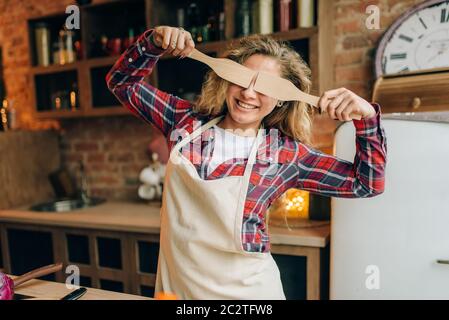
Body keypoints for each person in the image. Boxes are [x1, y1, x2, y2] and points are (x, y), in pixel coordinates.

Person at [106, 26, 387, 299]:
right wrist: (152, 43)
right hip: (180, 290)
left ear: (280, 100)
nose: (248, 94)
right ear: (226, 79)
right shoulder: (185, 122)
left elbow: (366, 184)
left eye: (265, 87)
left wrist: (367, 120)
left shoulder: (286, 154)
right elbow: (121, 83)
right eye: (241, 78)